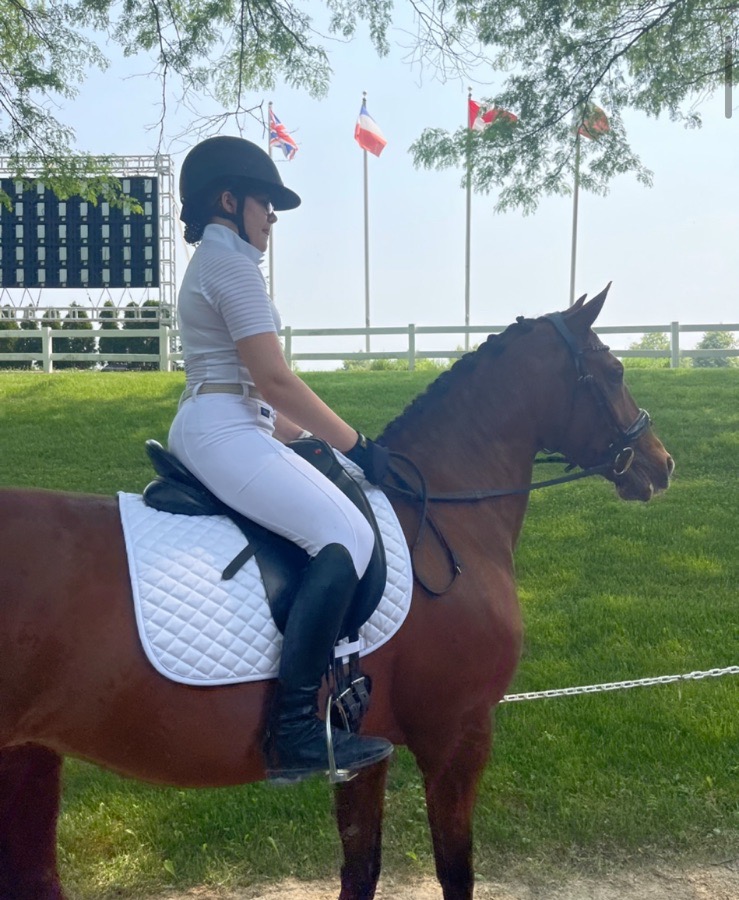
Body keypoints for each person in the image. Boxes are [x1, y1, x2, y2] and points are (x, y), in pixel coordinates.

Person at [170, 135, 393, 782]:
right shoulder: (231, 264)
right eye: (265, 201)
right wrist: (359, 445)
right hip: (223, 426)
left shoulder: (221, 260)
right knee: (345, 534)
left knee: (338, 514)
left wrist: (315, 440)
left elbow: (263, 399)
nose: (272, 215)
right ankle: (294, 731)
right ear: (228, 200)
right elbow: (273, 379)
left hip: (233, 420)